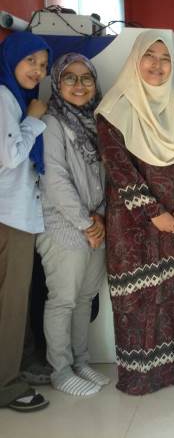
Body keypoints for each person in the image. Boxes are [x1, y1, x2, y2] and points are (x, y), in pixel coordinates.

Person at [95, 30, 174, 395]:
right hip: (133, 226)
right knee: (140, 300)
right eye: (150, 56)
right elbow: (119, 169)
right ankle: (143, 375)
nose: (158, 65)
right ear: (135, 60)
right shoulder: (115, 109)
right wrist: (154, 213)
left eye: (165, 59)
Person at [37, 53, 108, 396]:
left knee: (85, 298)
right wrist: (86, 223)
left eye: (86, 78)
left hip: (96, 222)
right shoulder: (51, 123)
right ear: (57, 83)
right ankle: (61, 370)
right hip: (63, 224)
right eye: (70, 78)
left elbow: (107, 175)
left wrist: (100, 217)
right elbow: (55, 180)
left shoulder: (98, 122)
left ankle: (80, 361)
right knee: (63, 299)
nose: (79, 85)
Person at [0, 31, 50, 412]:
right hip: (9, 216)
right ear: (11, 57)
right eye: (30, 60)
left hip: (13, 214)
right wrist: (34, 120)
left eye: (43, 65)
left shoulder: (12, 96)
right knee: (11, 304)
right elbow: (11, 156)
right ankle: (6, 384)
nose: (37, 70)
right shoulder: (5, 97)